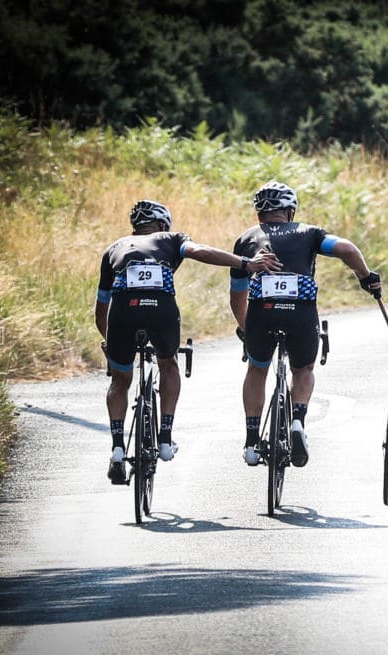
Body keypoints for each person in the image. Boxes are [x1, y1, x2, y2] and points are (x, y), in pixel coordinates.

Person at [97, 199, 275, 484]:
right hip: (160, 309)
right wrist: (244, 263)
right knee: (168, 362)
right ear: (163, 225)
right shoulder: (171, 238)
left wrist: (109, 341)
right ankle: (165, 439)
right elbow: (199, 251)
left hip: (122, 311)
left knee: (120, 380)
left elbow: (101, 309)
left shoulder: (113, 249)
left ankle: (118, 449)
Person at [229, 180, 381, 468]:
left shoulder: (246, 239)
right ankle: (297, 421)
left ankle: (251, 441)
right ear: (291, 211)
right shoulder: (309, 233)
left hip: (262, 312)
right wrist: (365, 276)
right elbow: (347, 248)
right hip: (300, 313)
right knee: (303, 369)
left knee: (257, 368)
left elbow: (237, 297)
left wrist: (246, 330)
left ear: (259, 214)